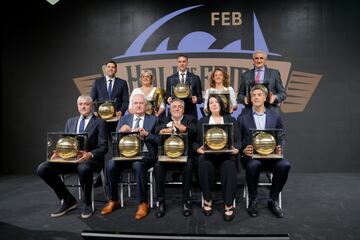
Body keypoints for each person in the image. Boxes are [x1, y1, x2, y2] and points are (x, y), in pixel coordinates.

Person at [37, 95, 108, 219]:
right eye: (80, 104)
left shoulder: (100, 122)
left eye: (86, 104)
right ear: (77, 106)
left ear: (91, 106)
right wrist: (59, 152)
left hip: (91, 160)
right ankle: (67, 199)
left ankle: (87, 203)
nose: (83, 106)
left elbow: (104, 147)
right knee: (43, 168)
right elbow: (66, 142)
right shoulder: (71, 121)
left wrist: (89, 154)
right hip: (70, 160)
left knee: (83, 168)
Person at [101, 93, 159, 220]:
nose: (138, 106)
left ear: (146, 105)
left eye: (141, 103)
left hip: (145, 154)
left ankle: (143, 203)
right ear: (132, 105)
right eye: (136, 103)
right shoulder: (124, 119)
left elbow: (159, 141)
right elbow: (115, 139)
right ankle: (113, 200)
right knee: (110, 164)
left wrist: (147, 134)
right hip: (125, 155)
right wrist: (121, 132)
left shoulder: (154, 119)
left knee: (138, 165)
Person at [237, 84, 291, 218]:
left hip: (271, 155)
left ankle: (272, 200)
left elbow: (281, 136)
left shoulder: (275, 116)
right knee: (254, 165)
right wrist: (243, 149)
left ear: (265, 97)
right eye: (253, 95)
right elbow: (238, 140)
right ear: (250, 98)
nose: (256, 97)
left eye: (259, 95)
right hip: (251, 157)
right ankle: (253, 200)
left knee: (285, 165)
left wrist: (280, 147)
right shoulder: (242, 117)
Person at [193, 95, 241, 222]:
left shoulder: (231, 120)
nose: (213, 104)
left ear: (222, 104)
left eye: (216, 102)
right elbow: (195, 142)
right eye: (210, 102)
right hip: (208, 156)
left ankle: (228, 204)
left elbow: (238, 141)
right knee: (204, 165)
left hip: (227, 155)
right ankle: (207, 199)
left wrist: (237, 149)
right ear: (208, 106)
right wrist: (197, 149)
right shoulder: (202, 120)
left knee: (229, 166)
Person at [154, 98, 197, 218]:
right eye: (174, 107)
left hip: (184, 156)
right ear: (170, 109)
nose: (177, 108)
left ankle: (185, 201)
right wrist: (172, 126)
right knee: (158, 167)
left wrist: (182, 128)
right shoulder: (163, 119)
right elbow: (157, 130)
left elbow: (194, 130)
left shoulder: (190, 119)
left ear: (183, 109)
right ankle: (161, 202)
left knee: (189, 166)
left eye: (180, 107)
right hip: (167, 156)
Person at [90, 60, 129, 187]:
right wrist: (95, 112)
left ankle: (116, 174)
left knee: (116, 147)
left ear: (116, 69)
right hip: (101, 122)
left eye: (113, 67)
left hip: (116, 122)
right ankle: (100, 176)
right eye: (109, 67)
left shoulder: (122, 83)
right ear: (105, 69)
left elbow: (125, 101)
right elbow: (92, 100)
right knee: (101, 148)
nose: (111, 69)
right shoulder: (98, 82)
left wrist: (121, 112)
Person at [166, 54, 202, 119]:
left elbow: (200, 98)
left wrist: (196, 99)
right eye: (180, 62)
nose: (182, 64)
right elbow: (167, 97)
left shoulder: (195, 78)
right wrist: (168, 100)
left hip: (191, 112)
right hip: (175, 112)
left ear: (187, 63)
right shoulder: (170, 79)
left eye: (184, 61)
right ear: (177, 63)